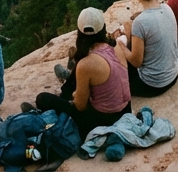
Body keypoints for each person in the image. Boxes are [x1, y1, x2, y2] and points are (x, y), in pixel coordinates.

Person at [32, 8, 132, 137]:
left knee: (42, 99)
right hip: (125, 111)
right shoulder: (117, 48)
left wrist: (76, 94)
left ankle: (41, 117)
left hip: (105, 121)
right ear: (103, 28)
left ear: (79, 32)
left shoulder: (86, 64)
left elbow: (79, 106)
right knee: (78, 78)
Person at [116, 0, 178, 97]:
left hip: (152, 84)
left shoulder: (141, 22)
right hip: (173, 76)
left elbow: (136, 62)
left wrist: (121, 45)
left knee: (115, 61)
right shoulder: (168, 9)